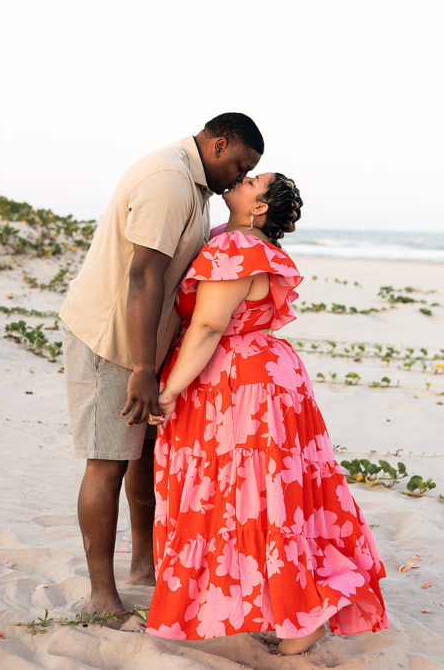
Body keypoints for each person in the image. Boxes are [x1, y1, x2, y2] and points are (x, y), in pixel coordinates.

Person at [146, 173, 388, 655]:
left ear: (258, 208)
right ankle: (292, 610)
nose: (243, 178)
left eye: (255, 179)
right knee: (276, 493)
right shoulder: (238, 243)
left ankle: (301, 618)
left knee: (251, 495)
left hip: (239, 382)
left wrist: (170, 390)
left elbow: (211, 324)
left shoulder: (235, 246)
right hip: (270, 376)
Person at [58, 113, 263, 620]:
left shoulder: (197, 185)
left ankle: (143, 567)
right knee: (106, 463)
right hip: (112, 343)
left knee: (141, 455)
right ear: (218, 145)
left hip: (142, 346)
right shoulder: (169, 181)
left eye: (249, 174)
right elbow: (144, 276)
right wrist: (143, 368)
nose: (239, 178)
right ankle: (102, 598)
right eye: (240, 165)